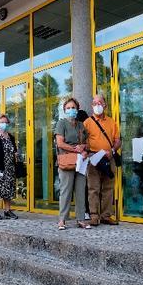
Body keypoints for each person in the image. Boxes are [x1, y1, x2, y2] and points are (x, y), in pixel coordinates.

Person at [83, 95, 121, 226]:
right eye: (94, 103)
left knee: (108, 188)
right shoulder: (87, 122)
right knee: (93, 188)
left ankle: (106, 215)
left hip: (109, 158)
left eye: (100, 102)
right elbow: (83, 141)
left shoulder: (111, 122)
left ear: (105, 105)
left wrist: (112, 151)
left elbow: (117, 140)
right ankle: (94, 216)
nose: (97, 105)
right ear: (92, 106)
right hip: (94, 159)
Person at [55, 98, 91, 230]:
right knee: (66, 191)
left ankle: (81, 219)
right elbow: (60, 143)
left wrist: (84, 149)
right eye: (68, 108)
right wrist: (76, 149)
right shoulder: (61, 124)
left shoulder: (81, 125)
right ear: (65, 110)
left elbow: (87, 143)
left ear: (77, 109)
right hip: (67, 160)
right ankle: (62, 220)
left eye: (73, 107)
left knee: (81, 190)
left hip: (81, 161)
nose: (71, 110)